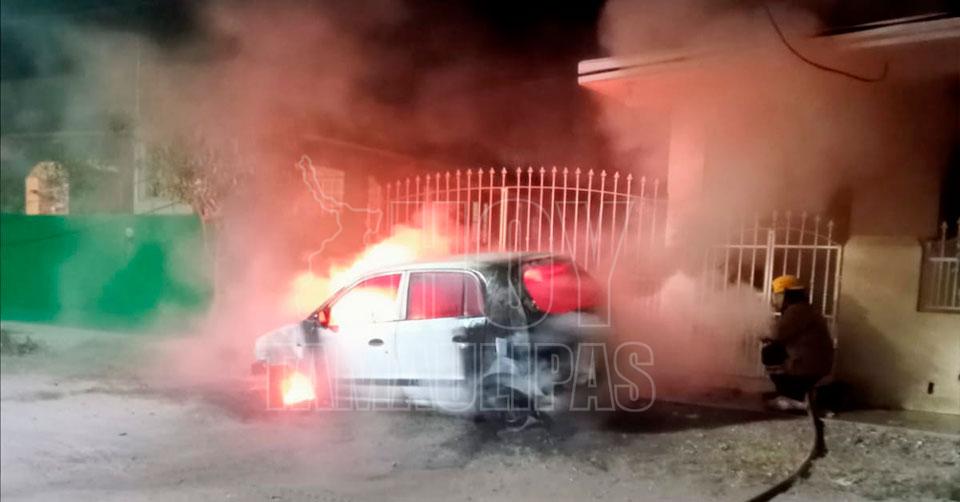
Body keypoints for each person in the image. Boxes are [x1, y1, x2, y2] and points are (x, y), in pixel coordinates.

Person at [761, 275, 835, 412]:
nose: (774, 299)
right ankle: (794, 393)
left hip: (806, 368)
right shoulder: (805, 309)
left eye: (777, 295)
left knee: (770, 352)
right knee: (775, 349)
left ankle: (791, 395)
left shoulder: (796, 311)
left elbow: (775, 334)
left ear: (786, 295)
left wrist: (758, 330)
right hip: (815, 365)